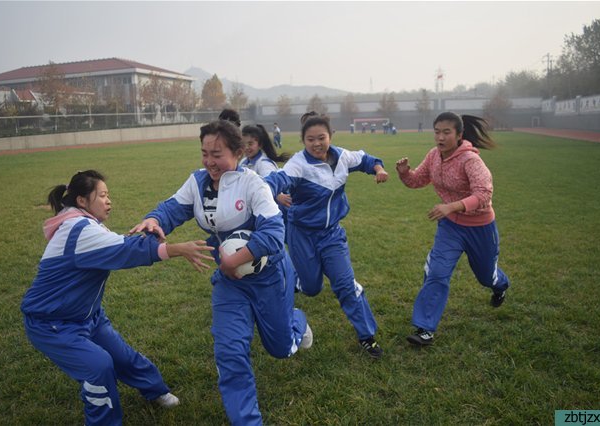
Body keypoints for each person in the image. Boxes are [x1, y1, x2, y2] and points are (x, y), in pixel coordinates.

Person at [129, 120, 312, 425]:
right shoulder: (198, 182)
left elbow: (274, 231)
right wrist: (154, 219)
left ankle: (297, 321)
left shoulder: (252, 184)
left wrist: (234, 258)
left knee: (281, 349)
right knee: (230, 354)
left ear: (238, 152)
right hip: (230, 284)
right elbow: (172, 208)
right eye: (204, 153)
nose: (209, 162)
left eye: (217, 153)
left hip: (269, 278)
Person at [21, 170, 215, 426]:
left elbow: (122, 244)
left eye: (108, 195)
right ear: (82, 201)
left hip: (88, 317)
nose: (109, 201)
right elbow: (126, 250)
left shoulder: (83, 223)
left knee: (123, 357)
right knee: (99, 367)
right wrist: (179, 249)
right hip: (52, 324)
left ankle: (156, 391)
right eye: (102, 195)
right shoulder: (77, 229)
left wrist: (151, 228)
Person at [265, 114, 389, 359]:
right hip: (301, 235)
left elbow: (366, 159)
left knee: (344, 284)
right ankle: (298, 282)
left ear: (330, 136)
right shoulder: (299, 164)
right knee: (311, 288)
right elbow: (276, 180)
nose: (316, 143)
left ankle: (367, 336)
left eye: (321, 138)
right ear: (303, 141)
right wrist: (265, 191)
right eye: (310, 139)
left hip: (332, 234)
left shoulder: (342, 156)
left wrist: (379, 168)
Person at [396, 112, 510, 347]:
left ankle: (500, 285)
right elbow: (418, 180)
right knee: (437, 272)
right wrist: (405, 173)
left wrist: (452, 206)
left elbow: (484, 193)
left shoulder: (470, 160)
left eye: (446, 132)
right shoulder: (433, 156)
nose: (440, 136)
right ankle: (425, 329)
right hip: (450, 227)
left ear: (459, 135)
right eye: (437, 131)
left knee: (486, 276)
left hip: (480, 227)